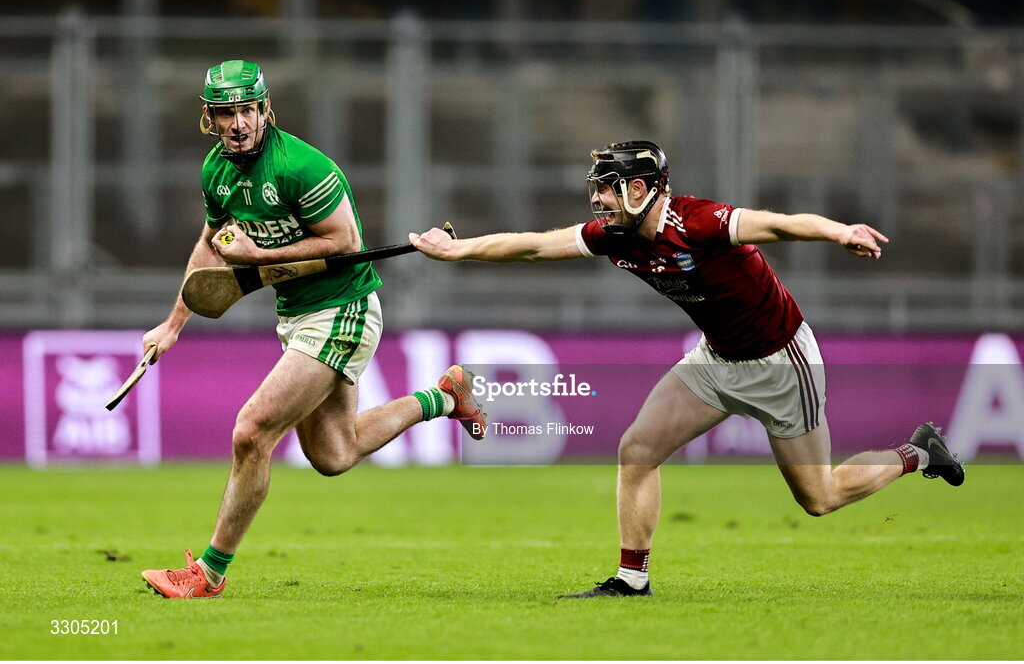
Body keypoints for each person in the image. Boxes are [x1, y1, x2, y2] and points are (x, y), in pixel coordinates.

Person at [410, 140, 964, 598]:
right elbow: (532, 246)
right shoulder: (614, 235)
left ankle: (918, 452)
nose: (598, 198)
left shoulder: (699, 221)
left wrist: (839, 231)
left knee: (820, 498)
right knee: (637, 450)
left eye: (607, 186)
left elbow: (778, 224)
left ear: (640, 187)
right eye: (597, 187)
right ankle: (632, 580)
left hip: (780, 362)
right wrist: (458, 252)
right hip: (715, 359)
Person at [138, 60, 488, 599]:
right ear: (209, 118)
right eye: (225, 113)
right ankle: (444, 398)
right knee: (334, 455)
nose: (237, 123)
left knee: (251, 430)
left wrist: (259, 253)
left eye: (246, 111)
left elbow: (345, 242)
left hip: (342, 307)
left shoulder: (302, 167)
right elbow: (210, 246)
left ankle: (209, 573)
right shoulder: (216, 171)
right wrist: (173, 323)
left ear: (265, 110)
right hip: (297, 315)